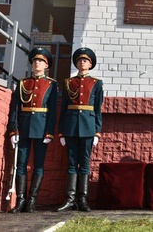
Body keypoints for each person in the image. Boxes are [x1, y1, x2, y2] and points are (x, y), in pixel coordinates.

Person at [7, 47, 58, 213]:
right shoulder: (23, 83)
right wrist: (13, 130)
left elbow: (52, 111)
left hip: (41, 127)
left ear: (46, 65)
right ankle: (21, 200)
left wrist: (49, 132)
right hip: (23, 126)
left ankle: (31, 201)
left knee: (38, 165)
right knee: (20, 164)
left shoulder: (51, 84)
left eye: (41, 61)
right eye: (35, 61)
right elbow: (15, 108)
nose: (37, 63)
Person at [55, 47, 103, 212]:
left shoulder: (96, 83)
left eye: (86, 61)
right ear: (76, 63)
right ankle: (69, 199)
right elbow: (63, 108)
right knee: (71, 163)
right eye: (80, 60)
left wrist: (97, 131)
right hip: (70, 127)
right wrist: (61, 131)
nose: (82, 63)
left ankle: (82, 200)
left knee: (84, 163)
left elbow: (97, 109)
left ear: (90, 65)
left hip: (88, 127)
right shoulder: (68, 82)